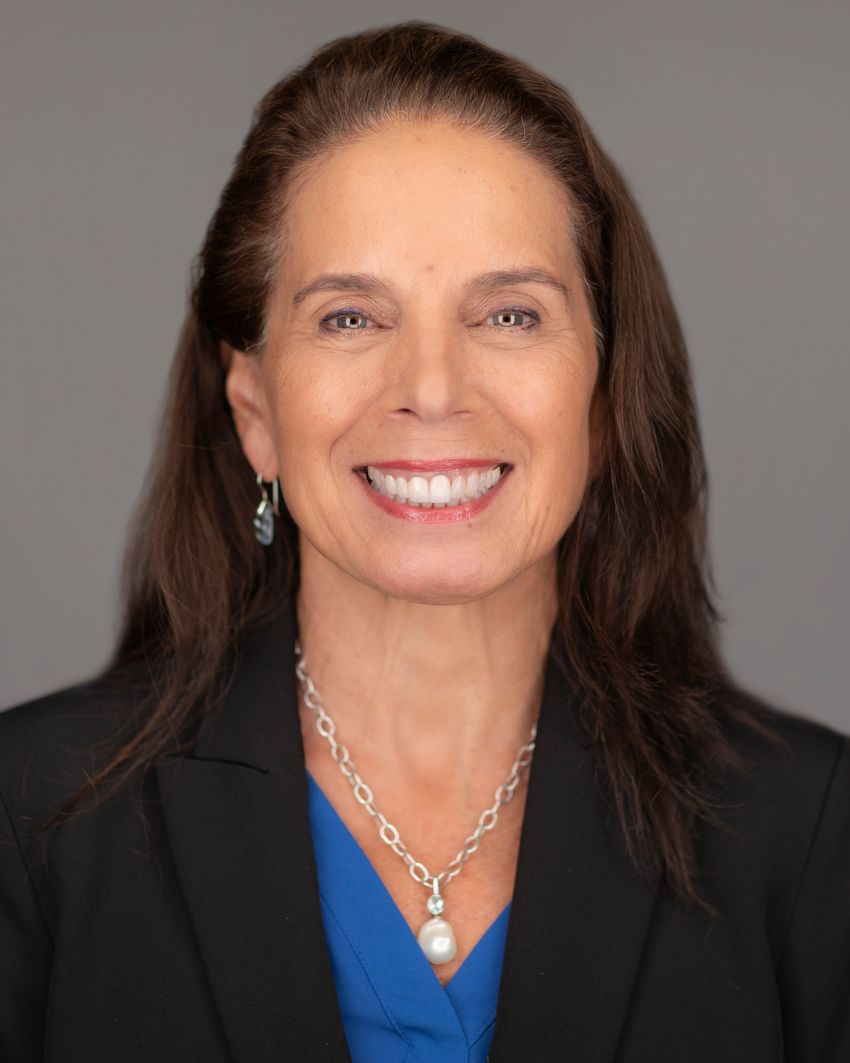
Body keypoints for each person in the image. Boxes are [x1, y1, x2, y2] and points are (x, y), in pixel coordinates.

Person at [1, 18, 847, 1063]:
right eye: (351, 318)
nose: (432, 389)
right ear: (254, 402)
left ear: (602, 389)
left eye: (511, 316)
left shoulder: (810, 832)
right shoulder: (29, 820)